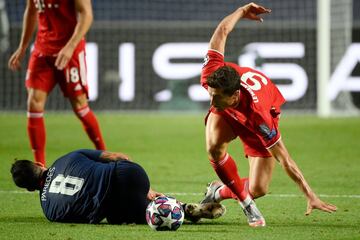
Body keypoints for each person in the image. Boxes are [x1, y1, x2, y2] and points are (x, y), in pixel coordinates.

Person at [199, 2, 337, 227]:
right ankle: (246, 203)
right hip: (231, 112)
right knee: (213, 147)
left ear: (234, 96)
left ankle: (218, 191)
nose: (211, 101)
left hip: (257, 113)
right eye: (210, 94)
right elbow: (222, 31)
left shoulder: (259, 117)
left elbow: (285, 158)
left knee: (259, 188)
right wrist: (242, 11)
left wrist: (309, 193)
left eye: (216, 97)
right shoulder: (211, 74)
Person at [8, 0, 106, 167]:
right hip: (42, 49)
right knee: (33, 103)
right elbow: (31, 11)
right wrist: (23, 46)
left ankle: (104, 154)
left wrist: (70, 47)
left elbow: (87, 14)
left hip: (70, 51)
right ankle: (40, 167)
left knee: (80, 106)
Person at [10, 149, 225, 224]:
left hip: (115, 206)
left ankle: (175, 209)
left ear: (30, 189)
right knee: (135, 187)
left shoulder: (50, 210)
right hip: (129, 173)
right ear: (39, 164)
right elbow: (119, 157)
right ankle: (182, 205)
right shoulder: (66, 158)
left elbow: (91, 217)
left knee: (119, 216)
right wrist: (143, 187)